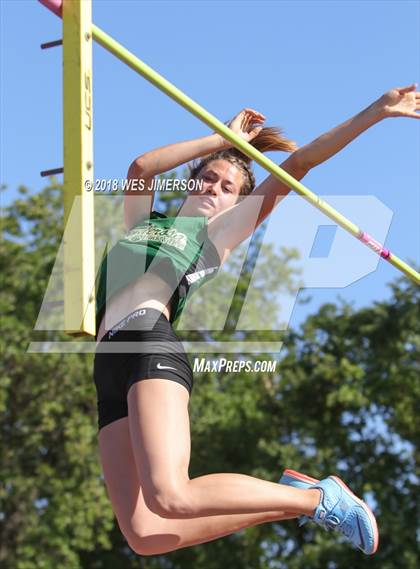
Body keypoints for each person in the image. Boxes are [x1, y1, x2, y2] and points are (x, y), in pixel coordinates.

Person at [93, 84, 419, 557]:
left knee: (172, 494)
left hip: (148, 342)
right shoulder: (144, 223)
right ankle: (298, 500)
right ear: (191, 181)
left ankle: (317, 501)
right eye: (208, 178)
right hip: (107, 364)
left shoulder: (215, 238)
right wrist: (220, 138)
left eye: (228, 188)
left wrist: (375, 112)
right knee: (144, 534)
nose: (215, 189)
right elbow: (141, 168)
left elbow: (299, 165)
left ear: (235, 206)